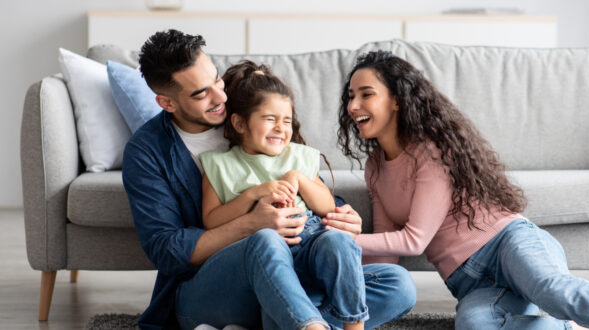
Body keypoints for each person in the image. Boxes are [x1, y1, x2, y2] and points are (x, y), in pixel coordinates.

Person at [326, 50, 589, 330]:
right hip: (470, 282)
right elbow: (387, 253)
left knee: (553, 291)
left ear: (396, 99)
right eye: (350, 96)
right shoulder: (375, 167)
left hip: (507, 243)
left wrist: (339, 239)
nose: (353, 105)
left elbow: (414, 241)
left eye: (366, 94)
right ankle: (566, 326)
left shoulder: (429, 149)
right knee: (473, 325)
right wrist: (332, 267)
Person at [122, 30, 415, 330]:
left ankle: (282, 318)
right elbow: (168, 250)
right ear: (166, 103)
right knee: (266, 241)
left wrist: (339, 215)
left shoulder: (250, 111)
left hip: (291, 272)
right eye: (201, 94)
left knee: (397, 283)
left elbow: (300, 183)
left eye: (217, 80)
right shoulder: (147, 152)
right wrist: (253, 223)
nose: (220, 97)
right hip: (210, 291)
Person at [199, 60, 367, 330]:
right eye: (270, 119)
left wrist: (298, 179)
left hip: (311, 242)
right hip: (265, 258)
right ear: (240, 123)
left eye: (286, 120)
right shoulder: (219, 165)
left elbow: (326, 207)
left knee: (339, 241)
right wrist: (254, 194)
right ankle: (309, 321)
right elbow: (211, 220)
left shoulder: (298, 156)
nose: (281, 127)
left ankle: (353, 326)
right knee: (268, 247)